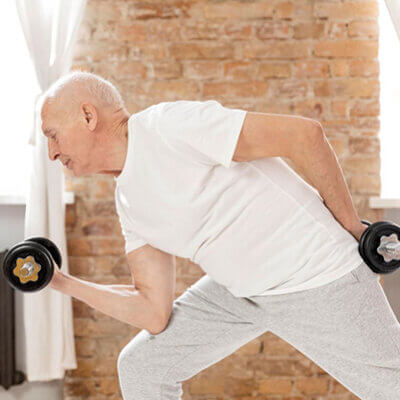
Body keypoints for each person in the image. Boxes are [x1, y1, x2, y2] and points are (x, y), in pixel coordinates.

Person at [41, 70, 400, 399]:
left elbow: (305, 136)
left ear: (88, 116)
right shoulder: (128, 202)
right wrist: (60, 281)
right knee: (143, 366)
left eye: (52, 136)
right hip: (239, 291)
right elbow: (153, 312)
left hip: (316, 275)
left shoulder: (168, 127)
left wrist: (353, 230)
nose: (52, 152)